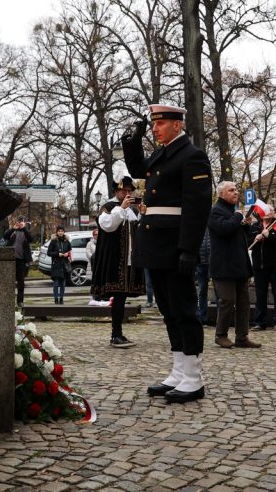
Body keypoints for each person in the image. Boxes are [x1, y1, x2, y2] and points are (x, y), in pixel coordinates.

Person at [122, 103, 214, 403]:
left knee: (184, 310)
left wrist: (189, 249)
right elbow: (139, 170)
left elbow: (197, 209)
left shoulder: (192, 156)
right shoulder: (164, 154)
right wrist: (132, 143)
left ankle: (194, 377)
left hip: (175, 245)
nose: (155, 129)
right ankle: (179, 370)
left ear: (177, 125)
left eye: (160, 124)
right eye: (153, 124)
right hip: (156, 244)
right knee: (168, 311)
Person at [91, 176, 146, 348]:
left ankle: (118, 334)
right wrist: (121, 208)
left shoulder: (131, 210)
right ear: (116, 191)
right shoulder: (108, 207)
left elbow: (137, 231)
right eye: (124, 191)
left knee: (122, 297)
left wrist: (142, 215)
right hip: (114, 260)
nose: (127, 193)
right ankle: (116, 334)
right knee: (118, 296)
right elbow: (108, 225)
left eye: (130, 191)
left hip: (129, 260)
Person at [208, 181, 261, 349]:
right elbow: (224, 230)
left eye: (236, 189)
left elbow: (238, 235)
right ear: (221, 194)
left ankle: (242, 337)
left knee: (244, 302)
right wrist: (238, 217)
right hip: (223, 266)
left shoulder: (232, 211)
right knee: (227, 301)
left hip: (239, 264)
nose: (236, 192)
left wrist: (245, 226)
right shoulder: (215, 211)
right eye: (231, 190)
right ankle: (221, 335)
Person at [251, 207, 276, 330]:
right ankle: (259, 322)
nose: (268, 212)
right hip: (259, 266)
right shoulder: (255, 226)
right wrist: (255, 239)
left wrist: (269, 236)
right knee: (260, 295)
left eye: (270, 210)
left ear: (274, 213)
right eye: (266, 209)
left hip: (274, 266)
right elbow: (247, 242)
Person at [3, 216, 34, 306]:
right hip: (11, 259)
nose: (19, 223)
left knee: (21, 281)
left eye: (21, 222)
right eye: (18, 221)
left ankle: (20, 301)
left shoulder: (26, 232)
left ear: (24, 223)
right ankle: (8, 301)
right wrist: (13, 228)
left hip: (22, 260)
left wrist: (24, 228)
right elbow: (5, 236)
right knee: (9, 280)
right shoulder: (13, 231)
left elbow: (31, 239)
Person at [46, 226, 71, 304]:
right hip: (56, 265)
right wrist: (57, 254)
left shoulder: (67, 241)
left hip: (64, 265)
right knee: (56, 283)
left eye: (62, 231)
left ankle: (61, 298)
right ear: (57, 232)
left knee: (63, 284)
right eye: (59, 231)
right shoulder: (53, 241)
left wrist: (67, 254)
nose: (60, 232)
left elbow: (70, 251)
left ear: (64, 232)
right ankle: (56, 299)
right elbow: (49, 252)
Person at [196, 228, 211, 324]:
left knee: (218, 292)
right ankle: (202, 317)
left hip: (212, 263)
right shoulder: (199, 227)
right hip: (200, 262)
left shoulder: (213, 225)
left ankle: (219, 318)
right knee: (202, 290)